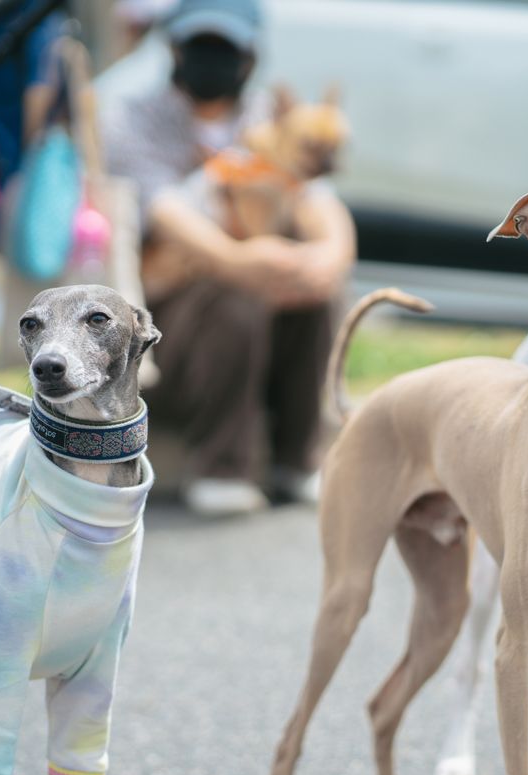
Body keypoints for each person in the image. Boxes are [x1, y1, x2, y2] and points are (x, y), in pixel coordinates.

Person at [102, 0, 355, 515]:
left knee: (316, 294)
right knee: (237, 298)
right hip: (167, 315)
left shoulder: (272, 118)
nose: (212, 60)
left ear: (249, 58)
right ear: (173, 48)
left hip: (259, 278)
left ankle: (299, 460)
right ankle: (222, 466)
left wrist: (328, 259)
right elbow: (167, 213)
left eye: (227, 49)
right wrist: (244, 260)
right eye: (200, 46)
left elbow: (320, 202)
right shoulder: (132, 119)